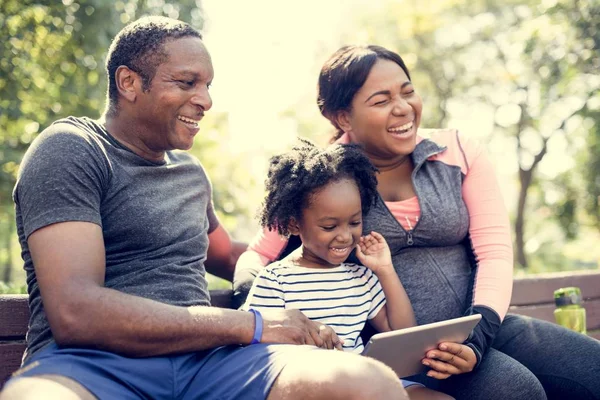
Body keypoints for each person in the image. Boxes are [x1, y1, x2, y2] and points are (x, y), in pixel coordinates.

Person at [0, 21, 410, 400]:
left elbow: (229, 256)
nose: (206, 100)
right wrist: (257, 325)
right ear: (128, 82)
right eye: (186, 83)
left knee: (367, 383)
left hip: (207, 365)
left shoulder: (189, 173)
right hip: (94, 364)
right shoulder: (73, 149)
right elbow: (77, 312)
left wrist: (326, 253)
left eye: (208, 85)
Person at [234, 45, 600, 400]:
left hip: (479, 326)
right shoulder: (326, 179)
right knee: (515, 390)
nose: (403, 108)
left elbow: (495, 254)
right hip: (403, 352)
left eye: (408, 92)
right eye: (381, 100)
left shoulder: (457, 152)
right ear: (343, 117)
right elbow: (258, 255)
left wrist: (477, 336)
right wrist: (267, 311)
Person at [242, 140, 454, 400]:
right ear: (294, 224)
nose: (345, 236)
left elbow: (401, 330)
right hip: (311, 385)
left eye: (354, 222)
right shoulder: (276, 279)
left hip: (370, 378)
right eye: (330, 227)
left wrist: (385, 270)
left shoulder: (361, 277)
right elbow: (253, 346)